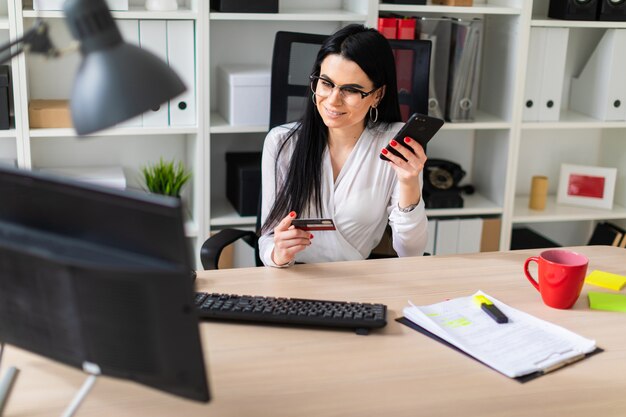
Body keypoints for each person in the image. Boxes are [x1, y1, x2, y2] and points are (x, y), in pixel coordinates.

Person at [259, 24, 428, 267]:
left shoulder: (394, 145)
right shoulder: (282, 143)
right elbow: (267, 240)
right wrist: (278, 253)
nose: (332, 101)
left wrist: (409, 182)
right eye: (326, 83)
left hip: (358, 280)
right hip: (295, 278)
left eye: (351, 90)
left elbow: (411, 252)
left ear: (377, 95)